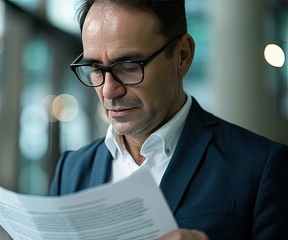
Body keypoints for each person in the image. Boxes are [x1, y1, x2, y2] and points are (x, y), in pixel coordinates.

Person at [49, 0, 288, 239]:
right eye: (95, 68)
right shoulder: (70, 170)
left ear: (182, 56)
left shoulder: (260, 166)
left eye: (129, 66)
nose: (109, 91)